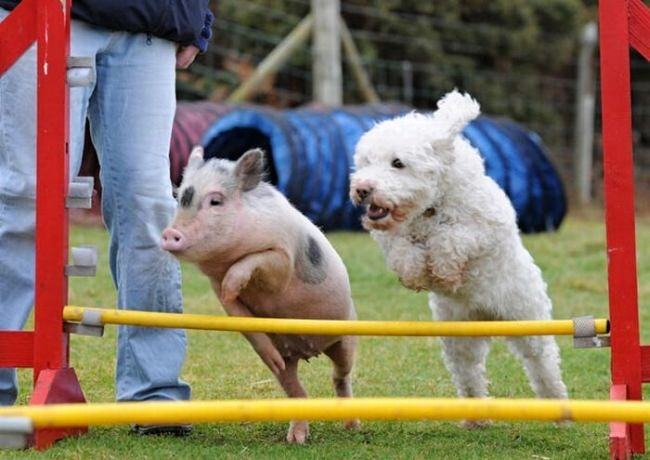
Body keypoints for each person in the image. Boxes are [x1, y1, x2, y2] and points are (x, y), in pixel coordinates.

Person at [0, 0, 213, 435]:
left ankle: (154, 395)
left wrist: (196, 18)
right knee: (26, 195)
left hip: (152, 25)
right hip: (42, 11)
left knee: (149, 204)